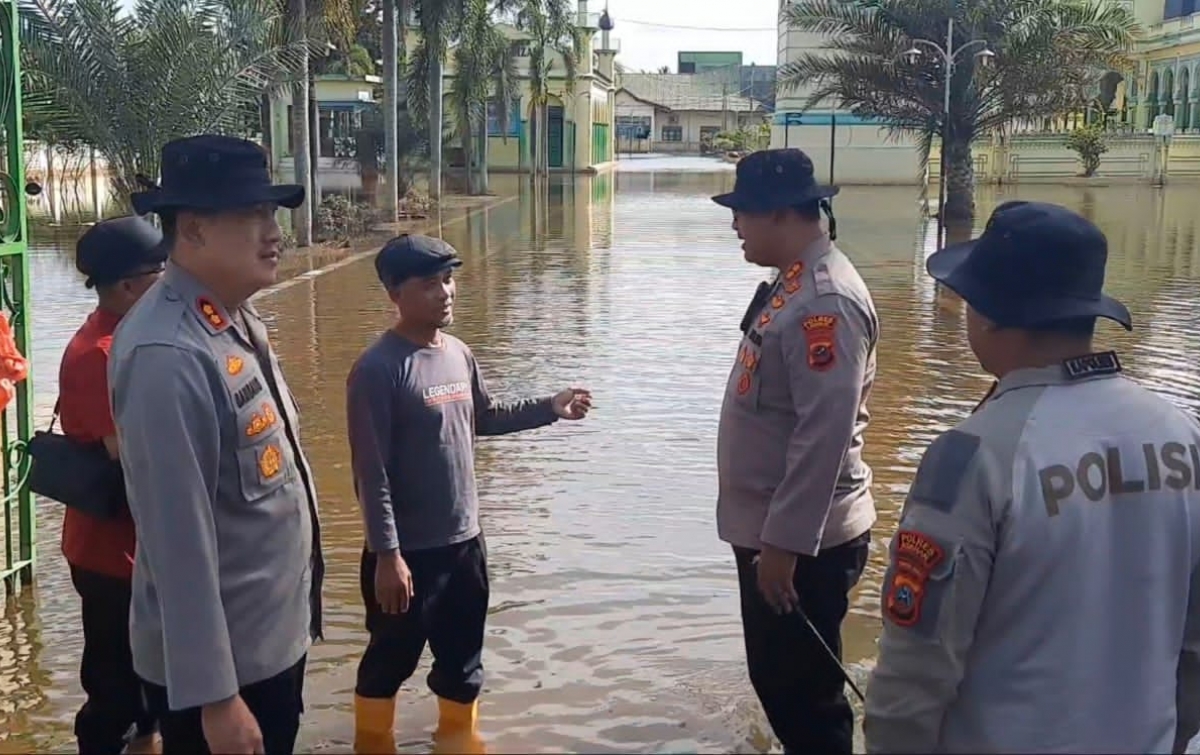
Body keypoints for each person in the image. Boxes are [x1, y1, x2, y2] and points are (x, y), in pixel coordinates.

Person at [863, 201, 1200, 754]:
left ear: (990, 314)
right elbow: (1193, 648)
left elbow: (916, 671)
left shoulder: (973, 455)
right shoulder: (1181, 435)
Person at [109, 134, 324, 755]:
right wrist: (216, 699)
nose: (273, 230)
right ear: (194, 230)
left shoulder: (231, 319)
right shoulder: (168, 354)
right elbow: (179, 543)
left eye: (271, 212)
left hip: (264, 646)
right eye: (251, 214)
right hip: (224, 679)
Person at [347, 234, 593, 755]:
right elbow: (372, 474)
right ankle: (373, 744)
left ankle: (459, 744)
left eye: (448, 279)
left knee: (463, 665)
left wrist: (551, 406)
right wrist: (387, 556)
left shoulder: (458, 352)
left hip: (464, 545)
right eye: (430, 283)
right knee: (388, 663)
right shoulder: (378, 369)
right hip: (405, 555)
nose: (446, 292)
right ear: (395, 291)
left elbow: (484, 417)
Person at [710, 148, 879, 755]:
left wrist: (783, 544)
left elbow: (822, 435)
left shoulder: (824, 304)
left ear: (782, 214)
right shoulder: (794, 283)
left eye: (743, 214)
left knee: (805, 695)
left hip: (802, 542)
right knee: (781, 682)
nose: (735, 226)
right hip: (773, 531)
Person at [60, 216, 166, 755]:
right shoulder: (101, 354)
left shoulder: (126, 338)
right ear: (128, 286)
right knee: (114, 689)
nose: (169, 281)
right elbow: (135, 456)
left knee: (150, 691)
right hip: (111, 555)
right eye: (160, 272)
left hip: (137, 549)